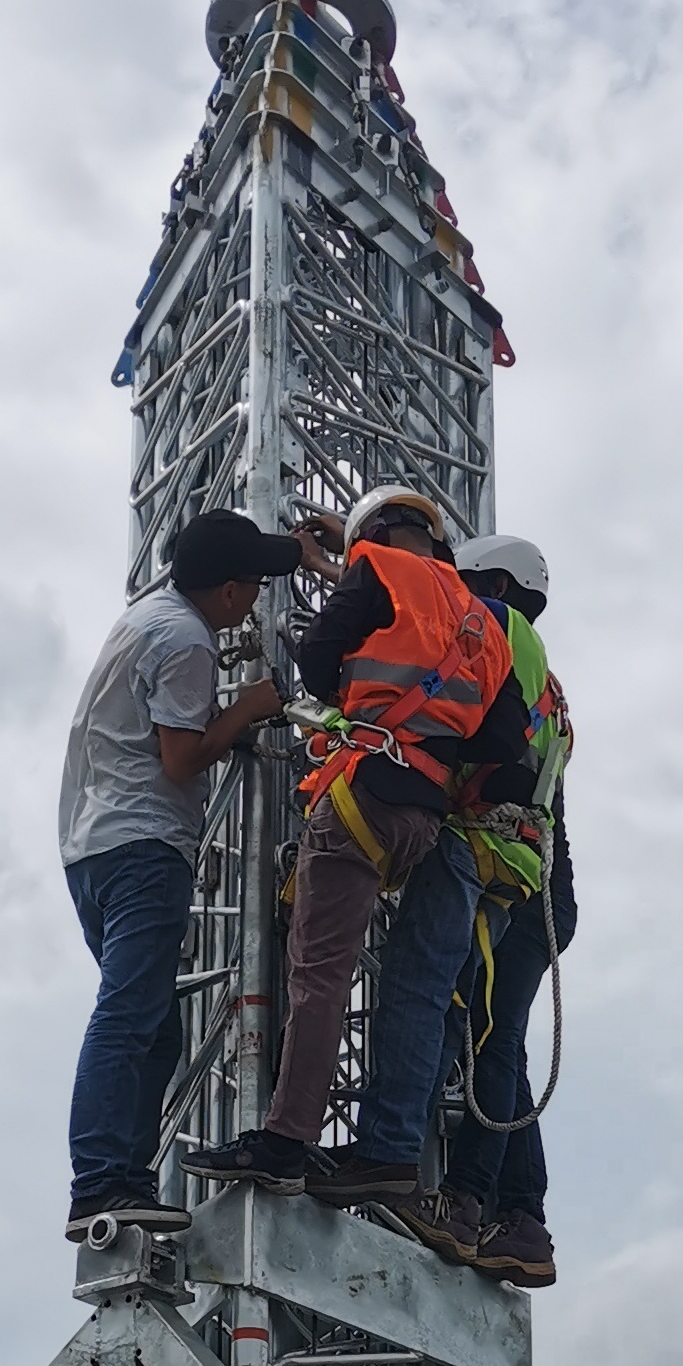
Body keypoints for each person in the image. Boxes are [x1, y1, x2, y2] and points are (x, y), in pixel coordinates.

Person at [189, 484, 534, 1203]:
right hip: (426, 818)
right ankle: (381, 1149)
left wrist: (363, 707)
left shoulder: (378, 570)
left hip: (364, 794)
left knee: (318, 974)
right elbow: (507, 753)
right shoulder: (485, 623)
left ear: (371, 534)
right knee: (406, 988)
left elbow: (317, 660)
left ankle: (284, 1142)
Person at [56, 506, 333, 1242]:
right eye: (252, 584)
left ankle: (122, 1177)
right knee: (129, 1015)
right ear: (230, 592)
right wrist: (251, 706)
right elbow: (181, 758)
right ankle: (102, 1183)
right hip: (144, 842)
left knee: (154, 1034)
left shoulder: (151, 613)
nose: (254, 599)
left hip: (92, 845)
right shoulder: (186, 642)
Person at [398, 534, 572, 1286]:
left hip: (512, 872)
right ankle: (522, 1220)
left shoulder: (496, 631)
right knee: (502, 1044)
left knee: (488, 1039)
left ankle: (468, 1202)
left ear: (495, 584)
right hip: (539, 880)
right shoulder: (547, 680)